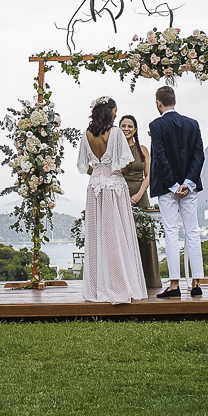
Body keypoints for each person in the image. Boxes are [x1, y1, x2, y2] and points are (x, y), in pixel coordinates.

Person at [78, 98, 147, 304]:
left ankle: (98, 287)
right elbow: (127, 162)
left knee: (98, 235)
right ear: (109, 111)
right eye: (115, 111)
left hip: (94, 187)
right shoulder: (115, 132)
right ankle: (119, 285)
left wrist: (99, 171)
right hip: (114, 186)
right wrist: (115, 173)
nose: (117, 115)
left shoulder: (87, 134)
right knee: (116, 235)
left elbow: (84, 166)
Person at [148, 85, 205, 298]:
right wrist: (188, 183)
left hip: (167, 188)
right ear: (175, 101)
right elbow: (199, 156)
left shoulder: (156, 125)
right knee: (193, 232)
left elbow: (160, 157)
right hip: (189, 187)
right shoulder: (193, 124)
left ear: (158, 103)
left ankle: (174, 285)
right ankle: (196, 283)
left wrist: (173, 185)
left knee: (171, 232)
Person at [118, 114, 162, 291]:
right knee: (123, 237)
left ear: (135, 130)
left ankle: (149, 280)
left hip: (140, 194)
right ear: (118, 128)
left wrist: (139, 194)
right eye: (123, 126)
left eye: (130, 126)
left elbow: (149, 175)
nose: (127, 129)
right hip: (120, 193)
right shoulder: (114, 150)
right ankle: (126, 280)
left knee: (144, 237)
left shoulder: (142, 149)